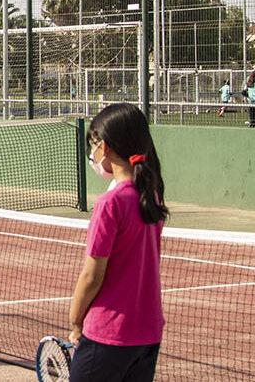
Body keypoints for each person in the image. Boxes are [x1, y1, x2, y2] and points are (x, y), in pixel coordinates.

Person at [69, 103, 168, 382]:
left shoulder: (110, 203)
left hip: (108, 334)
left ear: (107, 148)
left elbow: (92, 275)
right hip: (147, 334)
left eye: (95, 143)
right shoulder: (152, 197)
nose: (93, 151)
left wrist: (75, 319)